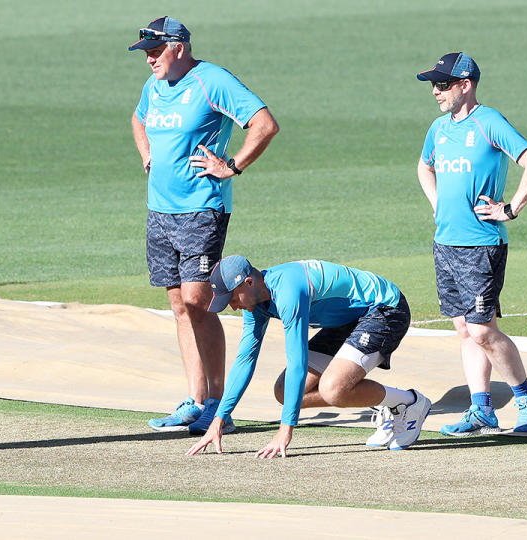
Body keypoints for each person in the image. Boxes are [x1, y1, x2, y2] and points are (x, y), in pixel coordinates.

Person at [129, 16, 279, 435]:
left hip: (201, 210)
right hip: (159, 210)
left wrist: (231, 166)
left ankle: (219, 406)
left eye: (155, 51)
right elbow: (138, 119)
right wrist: (147, 156)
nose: (149, 60)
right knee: (179, 305)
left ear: (179, 47)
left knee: (199, 302)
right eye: (146, 53)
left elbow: (264, 124)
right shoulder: (155, 86)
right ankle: (195, 402)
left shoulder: (211, 80)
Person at [415, 52, 527, 436]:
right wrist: (439, 203)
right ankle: (481, 410)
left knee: (481, 331)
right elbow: (425, 165)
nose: (435, 92)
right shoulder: (439, 129)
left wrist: (511, 209)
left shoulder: (489, 121)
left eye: (442, 85)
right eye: (433, 85)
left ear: (465, 85)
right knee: (462, 328)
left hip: (481, 245)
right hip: (445, 244)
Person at [186, 255, 432, 458]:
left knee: (333, 389)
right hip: (347, 320)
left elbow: (297, 364)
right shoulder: (255, 303)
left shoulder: (290, 290)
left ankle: (409, 402)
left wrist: (285, 430)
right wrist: (218, 420)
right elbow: (245, 360)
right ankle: (387, 403)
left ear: (248, 282)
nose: (232, 306)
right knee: (284, 392)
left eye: (231, 298)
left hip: (385, 310)